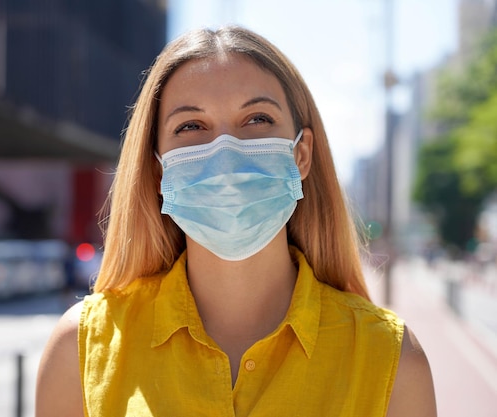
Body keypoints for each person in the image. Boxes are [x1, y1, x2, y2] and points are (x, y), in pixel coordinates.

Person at [36, 26, 436, 416]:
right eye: (190, 126)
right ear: (159, 172)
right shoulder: (82, 350)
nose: (225, 153)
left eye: (258, 119)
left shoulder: (390, 360)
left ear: (302, 155)